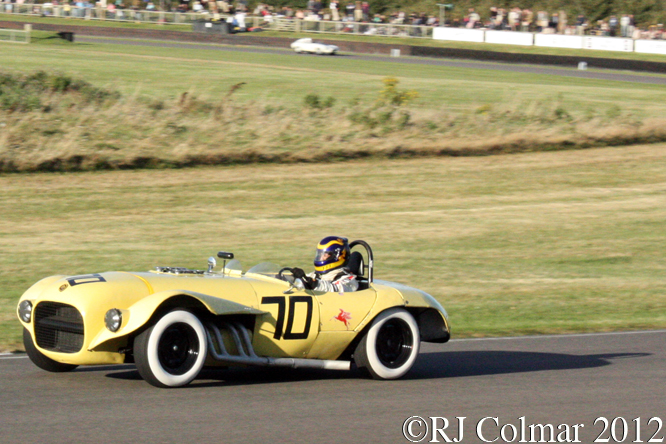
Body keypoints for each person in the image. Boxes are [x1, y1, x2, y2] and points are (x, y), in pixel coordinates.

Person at [291, 236, 359, 293]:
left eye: (324, 255)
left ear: (337, 257)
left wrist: (313, 283)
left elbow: (335, 289)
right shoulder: (317, 275)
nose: (320, 258)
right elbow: (306, 279)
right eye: (319, 254)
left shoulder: (349, 281)